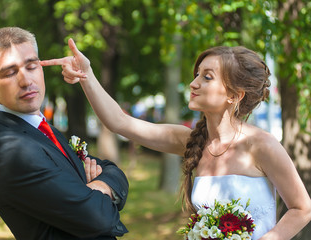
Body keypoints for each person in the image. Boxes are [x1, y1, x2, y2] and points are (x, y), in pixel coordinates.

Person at [41, 39, 311, 239]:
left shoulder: (261, 145)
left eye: (207, 77)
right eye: (197, 75)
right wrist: (86, 76)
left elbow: (302, 208)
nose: (194, 83)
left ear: (234, 95)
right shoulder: (188, 140)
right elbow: (119, 122)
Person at [0, 27, 128, 240]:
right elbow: (99, 218)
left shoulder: (42, 128)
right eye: (10, 72)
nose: (26, 81)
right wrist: (99, 189)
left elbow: (112, 170)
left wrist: (98, 187)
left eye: (31, 66)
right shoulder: (6, 148)